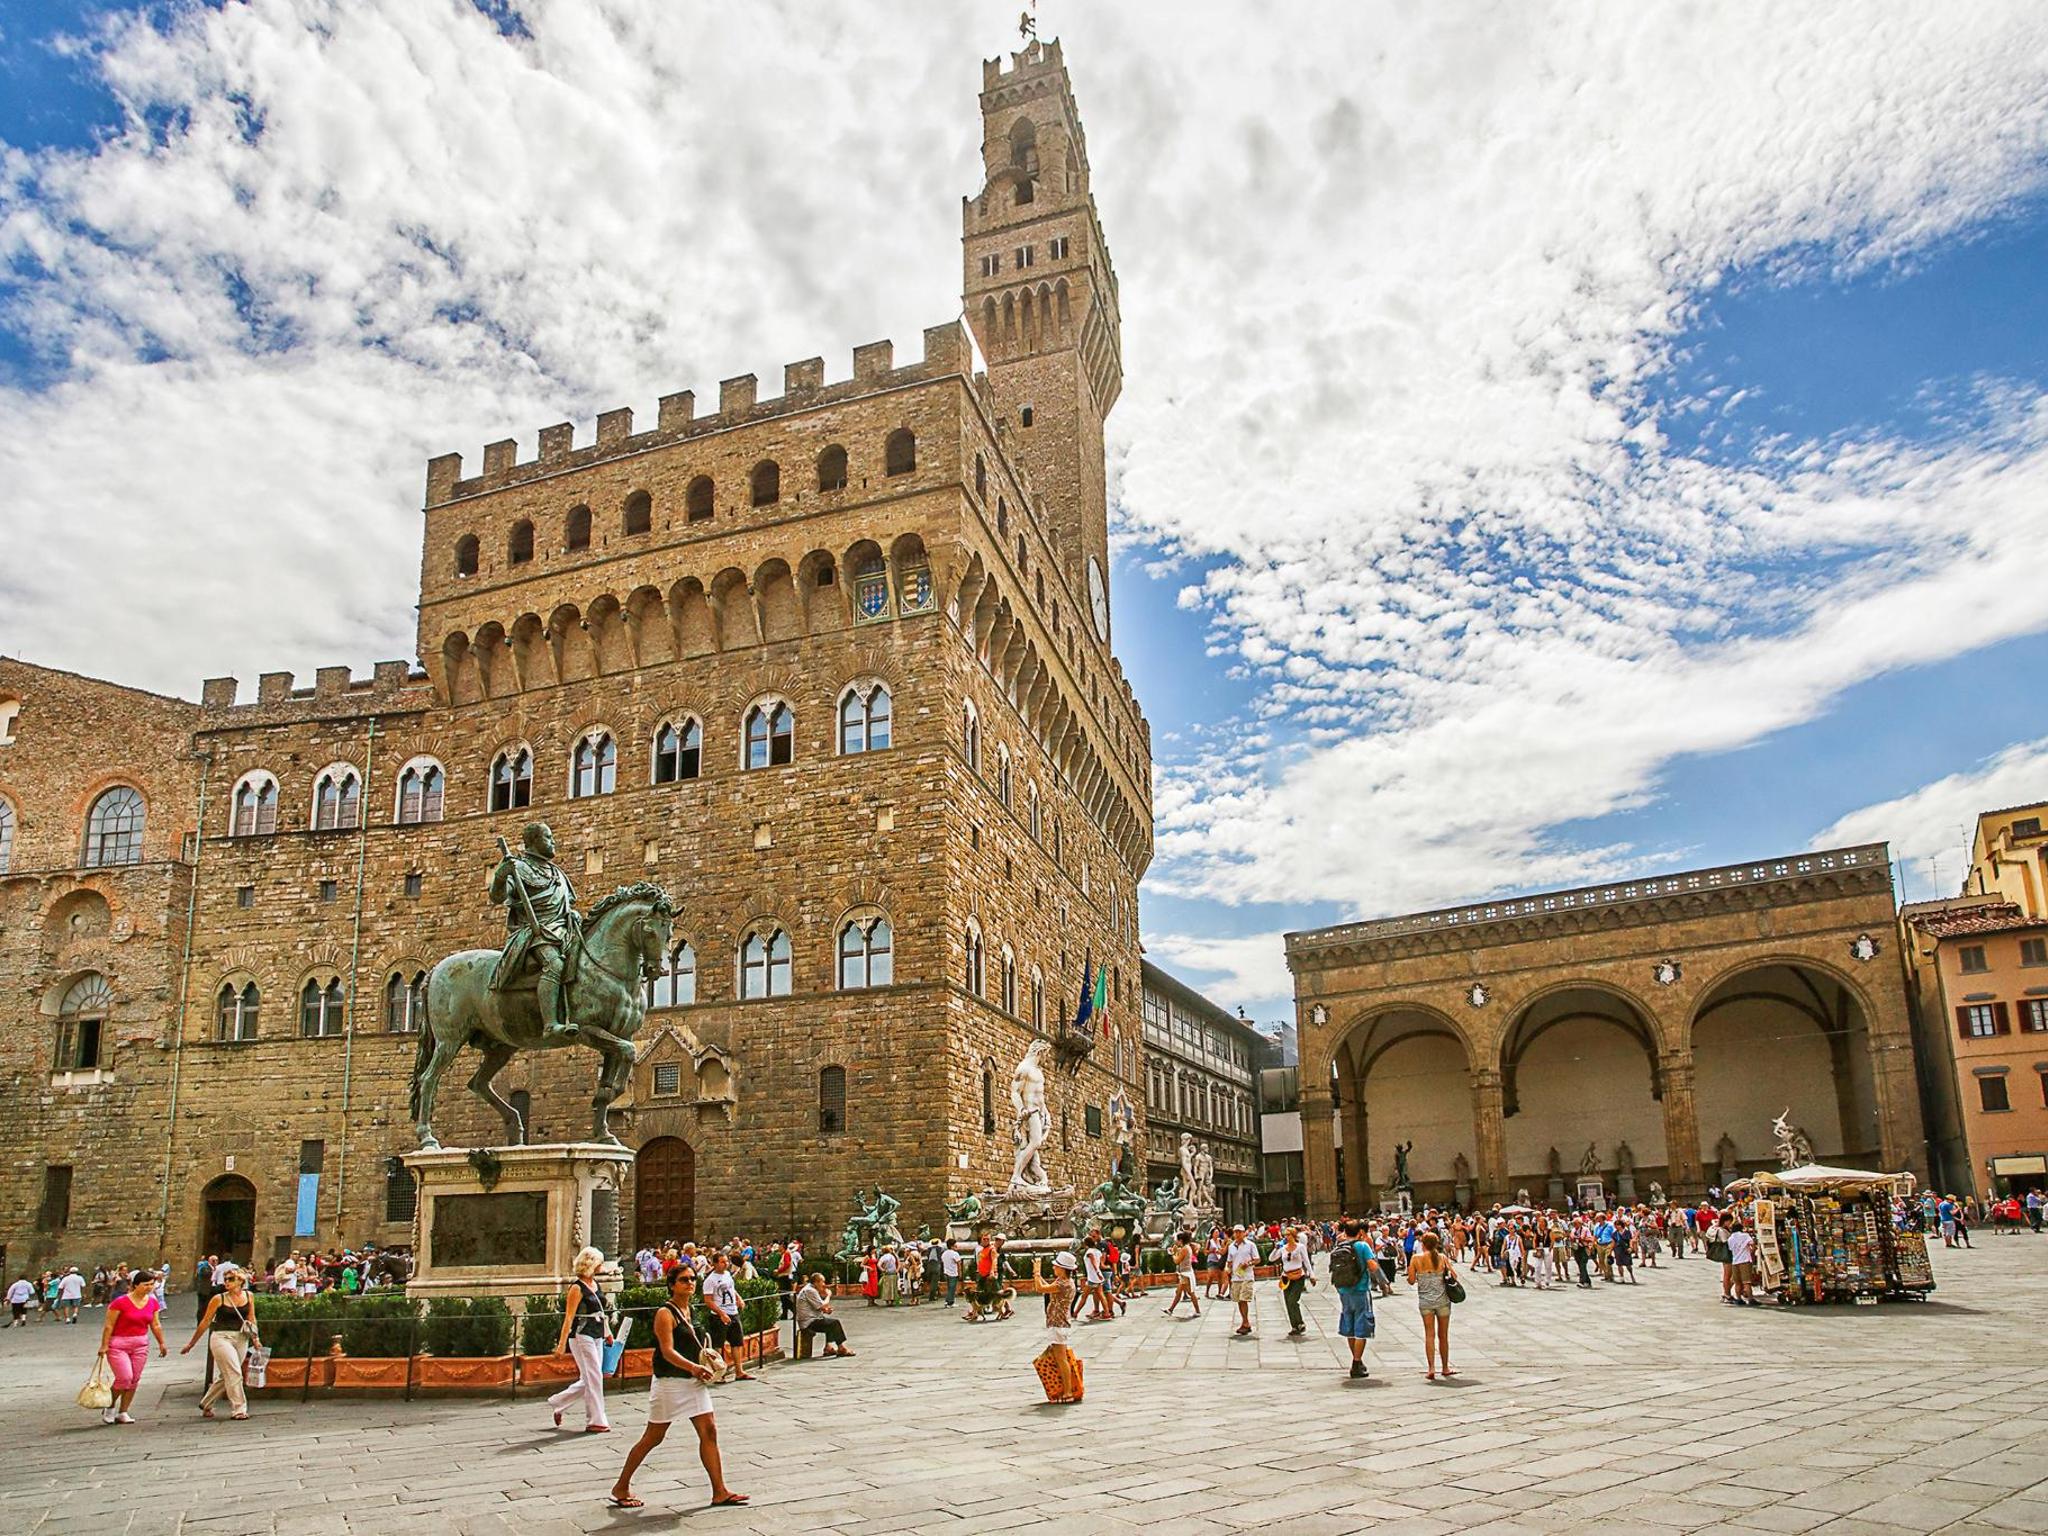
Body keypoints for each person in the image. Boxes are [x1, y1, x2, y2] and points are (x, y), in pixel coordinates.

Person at [610, 1267, 746, 1510]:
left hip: (693, 1381)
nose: (690, 1283)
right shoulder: (665, 1313)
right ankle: (621, 1486)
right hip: (670, 1383)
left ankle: (720, 1491)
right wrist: (694, 1367)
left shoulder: (690, 1309)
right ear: (672, 1284)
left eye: (693, 1279)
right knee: (653, 1437)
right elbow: (667, 1351)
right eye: (684, 1280)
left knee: (710, 1431)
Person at [548, 1246, 614, 1434]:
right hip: (581, 1334)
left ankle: (558, 1402)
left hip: (597, 1332)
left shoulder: (595, 1284)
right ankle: (596, 1420)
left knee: (591, 1377)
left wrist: (608, 1332)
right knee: (594, 1377)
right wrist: (560, 1346)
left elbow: (600, 1311)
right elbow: (569, 1318)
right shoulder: (577, 1288)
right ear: (591, 1263)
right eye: (599, 1261)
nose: (602, 1264)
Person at [182, 1264, 258, 1420]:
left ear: (240, 1281)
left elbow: (251, 1318)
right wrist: (191, 1343)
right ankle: (239, 1408)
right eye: (225, 1279)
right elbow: (205, 1322)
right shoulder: (218, 1299)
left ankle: (206, 1403)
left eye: (230, 1279)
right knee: (234, 1371)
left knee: (226, 1374)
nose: (226, 1282)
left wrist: (256, 1339)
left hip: (241, 1337)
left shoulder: (249, 1296)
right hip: (221, 1337)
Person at [96, 1270, 168, 1424]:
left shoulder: (152, 1302)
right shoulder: (120, 1302)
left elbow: (155, 1324)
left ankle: (123, 1411)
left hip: (140, 1343)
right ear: (136, 1285)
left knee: (134, 1379)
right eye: (145, 1284)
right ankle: (109, 1405)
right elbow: (109, 1325)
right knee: (124, 1378)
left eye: (151, 1284)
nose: (149, 1287)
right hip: (118, 1344)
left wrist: (161, 1342)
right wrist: (104, 1345)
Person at [1330, 1218, 1383, 1379]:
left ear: (1345, 1232)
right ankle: (1356, 1362)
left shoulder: (1339, 1245)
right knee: (1361, 1325)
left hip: (1343, 1290)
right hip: (1359, 1289)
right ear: (1360, 1232)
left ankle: (1357, 1361)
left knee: (1349, 1325)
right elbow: (1372, 1266)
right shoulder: (1362, 1245)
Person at [1033, 1251, 1084, 1404]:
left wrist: (1036, 1272)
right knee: (1060, 1358)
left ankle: (1068, 1392)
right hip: (1059, 1323)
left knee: (1061, 1359)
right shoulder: (1064, 1281)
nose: (1054, 1267)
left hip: (1058, 1324)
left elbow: (1040, 1289)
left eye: (1056, 1266)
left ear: (1062, 1268)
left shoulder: (1063, 1284)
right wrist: (1038, 1275)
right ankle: (1065, 1390)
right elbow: (1046, 1286)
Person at [1406, 1231, 1456, 1381]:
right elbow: (1454, 1276)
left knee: (1429, 1334)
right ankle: (1445, 1367)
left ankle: (1431, 1368)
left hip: (1425, 1301)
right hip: (1443, 1301)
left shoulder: (1416, 1259)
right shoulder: (1442, 1258)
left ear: (1423, 1244)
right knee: (1443, 1335)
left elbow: (1411, 1279)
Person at [700, 1251, 754, 1381]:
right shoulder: (710, 1280)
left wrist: (738, 1298)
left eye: (726, 1261)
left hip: (733, 1312)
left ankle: (739, 1370)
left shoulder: (727, 1274)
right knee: (718, 1344)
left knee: (737, 1342)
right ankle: (719, 1373)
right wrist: (721, 1313)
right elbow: (708, 1300)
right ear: (715, 1264)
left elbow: (731, 1289)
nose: (726, 1264)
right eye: (722, 1262)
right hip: (720, 1315)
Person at [795, 1272, 855, 1357]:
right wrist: (828, 1295)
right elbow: (822, 1305)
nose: (824, 1285)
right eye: (822, 1282)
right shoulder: (810, 1290)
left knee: (829, 1323)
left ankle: (828, 1347)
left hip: (811, 1319)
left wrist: (826, 1310)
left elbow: (818, 1307)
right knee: (834, 1323)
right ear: (816, 1282)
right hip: (808, 1322)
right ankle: (841, 1347)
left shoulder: (810, 1289)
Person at [1276, 1226, 1315, 1337]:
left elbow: (1306, 1262)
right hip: (1285, 1277)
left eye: (1288, 1235)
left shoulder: (1300, 1247)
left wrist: (1311, 1275)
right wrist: (1276, 1248)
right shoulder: (1283, 1248)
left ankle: (1300, 1323)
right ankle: (1294, 1326)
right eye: (1285, 1235)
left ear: (1293, 1235)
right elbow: (1271, 1259)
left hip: (1298, 1276)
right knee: (1288, 1302)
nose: (1286, 1237)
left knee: (1293, 1300)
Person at [1224, 1224, 1261, 1337]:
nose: (1238, 1234)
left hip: (1247, 1276)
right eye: (1236, 1232)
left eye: (1240, 1232)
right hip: (1236, 1276)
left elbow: (1257, 1259)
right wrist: (1228, 1268)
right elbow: (1229, 1261)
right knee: (1239, 1300)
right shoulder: (1231, 1246)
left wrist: (1248, 1263)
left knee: (1244, 1299)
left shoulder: (1250, 1245)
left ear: (1244, 1233)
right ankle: (1245, 1322)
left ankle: (1246, 1323)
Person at [1163, 1231, 1200, 1318]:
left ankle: (1197, 1311)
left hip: (1185, 1274)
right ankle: (1170, 1309)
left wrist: (1172, 1254)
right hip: (1186, 1272)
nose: (1176, 1242)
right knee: (1180, 1292)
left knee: (1190, 1293)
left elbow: (1177, 1261)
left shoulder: (1184, 1249)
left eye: (1177, 1240)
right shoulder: (1187, 1247)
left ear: (1181, 1240)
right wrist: (1175, 1251)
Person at [1725, 1218, 1757, 1306]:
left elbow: (1730, 1249)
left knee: (1737, 1282)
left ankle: (1739, 1299)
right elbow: (1752, 1245)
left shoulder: (1730, 1239)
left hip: (1735, 1261)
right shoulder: (1745, 1236)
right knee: (1746, 1281)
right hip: (1745, 1260)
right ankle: (1750, 1299)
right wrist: (1752, 1252)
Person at [940, 1240, 962, 1307]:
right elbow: (959, 1264)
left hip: (946, 1272)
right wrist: (959, 1273)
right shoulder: (955, 1254)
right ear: (952, 1246)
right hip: (953, 1273)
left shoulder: (944, 1253)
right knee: (952, 1288)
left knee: (950, 1288)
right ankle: (949, 1302)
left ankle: (950, 1301)